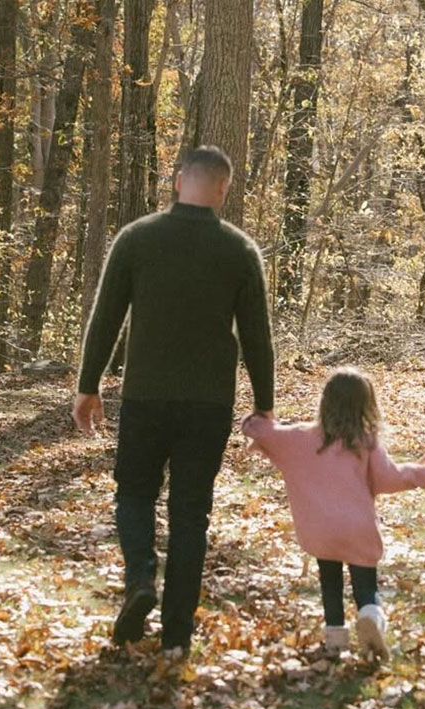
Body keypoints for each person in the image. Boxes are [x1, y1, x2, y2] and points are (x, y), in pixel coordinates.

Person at [72, 146, 274, 656]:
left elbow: (106, 317)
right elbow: (257, 337)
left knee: (134, 495)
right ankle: (178, 635)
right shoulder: (239, 251)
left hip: (146, 396)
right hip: (208, 406)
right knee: (191, 515)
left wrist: (88, 385)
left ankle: (141, 577)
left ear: (179, 179)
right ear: (224, 189)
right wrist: (265, 404)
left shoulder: (138, 238)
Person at [241, 367, 425, 661]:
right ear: (367, 406)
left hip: (320, 531)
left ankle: (335, 638)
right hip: (357, 528)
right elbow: (390, 477)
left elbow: (259, 429)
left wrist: (258, 418)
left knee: (330, 580)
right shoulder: (366, 441)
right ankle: (370, 615)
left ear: (324, 402)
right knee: (365, 583)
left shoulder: (299, 437)